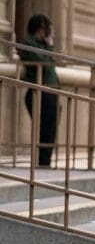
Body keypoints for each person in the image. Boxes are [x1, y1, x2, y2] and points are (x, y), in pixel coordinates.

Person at [18, 14, 60, 168]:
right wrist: (49, 46)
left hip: (50, 92)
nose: (50, 33)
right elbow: (46, 65)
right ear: (41, 28)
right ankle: (42, 163)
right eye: (49, 29)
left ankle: (45, 163)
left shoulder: (41, 46)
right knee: (44, 131)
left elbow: (50, 64)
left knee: (50, 131)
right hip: (40, 93)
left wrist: (48, 47)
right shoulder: (29, 44)